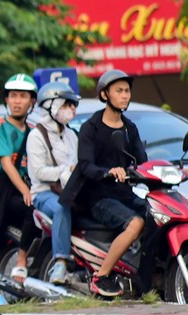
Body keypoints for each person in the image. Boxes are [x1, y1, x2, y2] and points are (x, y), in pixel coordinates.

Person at [61, 70, 147, 297]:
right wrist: (109, 171)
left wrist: (173, 169)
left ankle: (146, 272)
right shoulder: (91, 128)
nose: (124, 96)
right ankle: (101, 276)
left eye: (127, 91)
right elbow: (86, 165)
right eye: (119, 91)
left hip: (125, 193)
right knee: (136, 223)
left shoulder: (130, 128)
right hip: (99, 197)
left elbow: (143, 162)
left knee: (157, 216)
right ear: (104, 94)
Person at [0, 73, 40, 285]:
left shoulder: (33, 131)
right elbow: (5, 163)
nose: (17, 101)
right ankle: (21, 260)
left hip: (25, 186)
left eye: (23, 96)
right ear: (6, 99)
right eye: (13, 96)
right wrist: (25, 191)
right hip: (5, 189)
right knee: (33, 210)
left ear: (32, 101)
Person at [26, 81, 80, 285]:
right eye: (66, 105)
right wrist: (65, 171)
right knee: (61, 209)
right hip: (44, 193)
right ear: (51, 106)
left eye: (72, 105)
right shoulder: (36, 136)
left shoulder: (71, 135)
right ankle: (60, 263)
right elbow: (39, 171)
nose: (71, 109)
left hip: (70, 190)